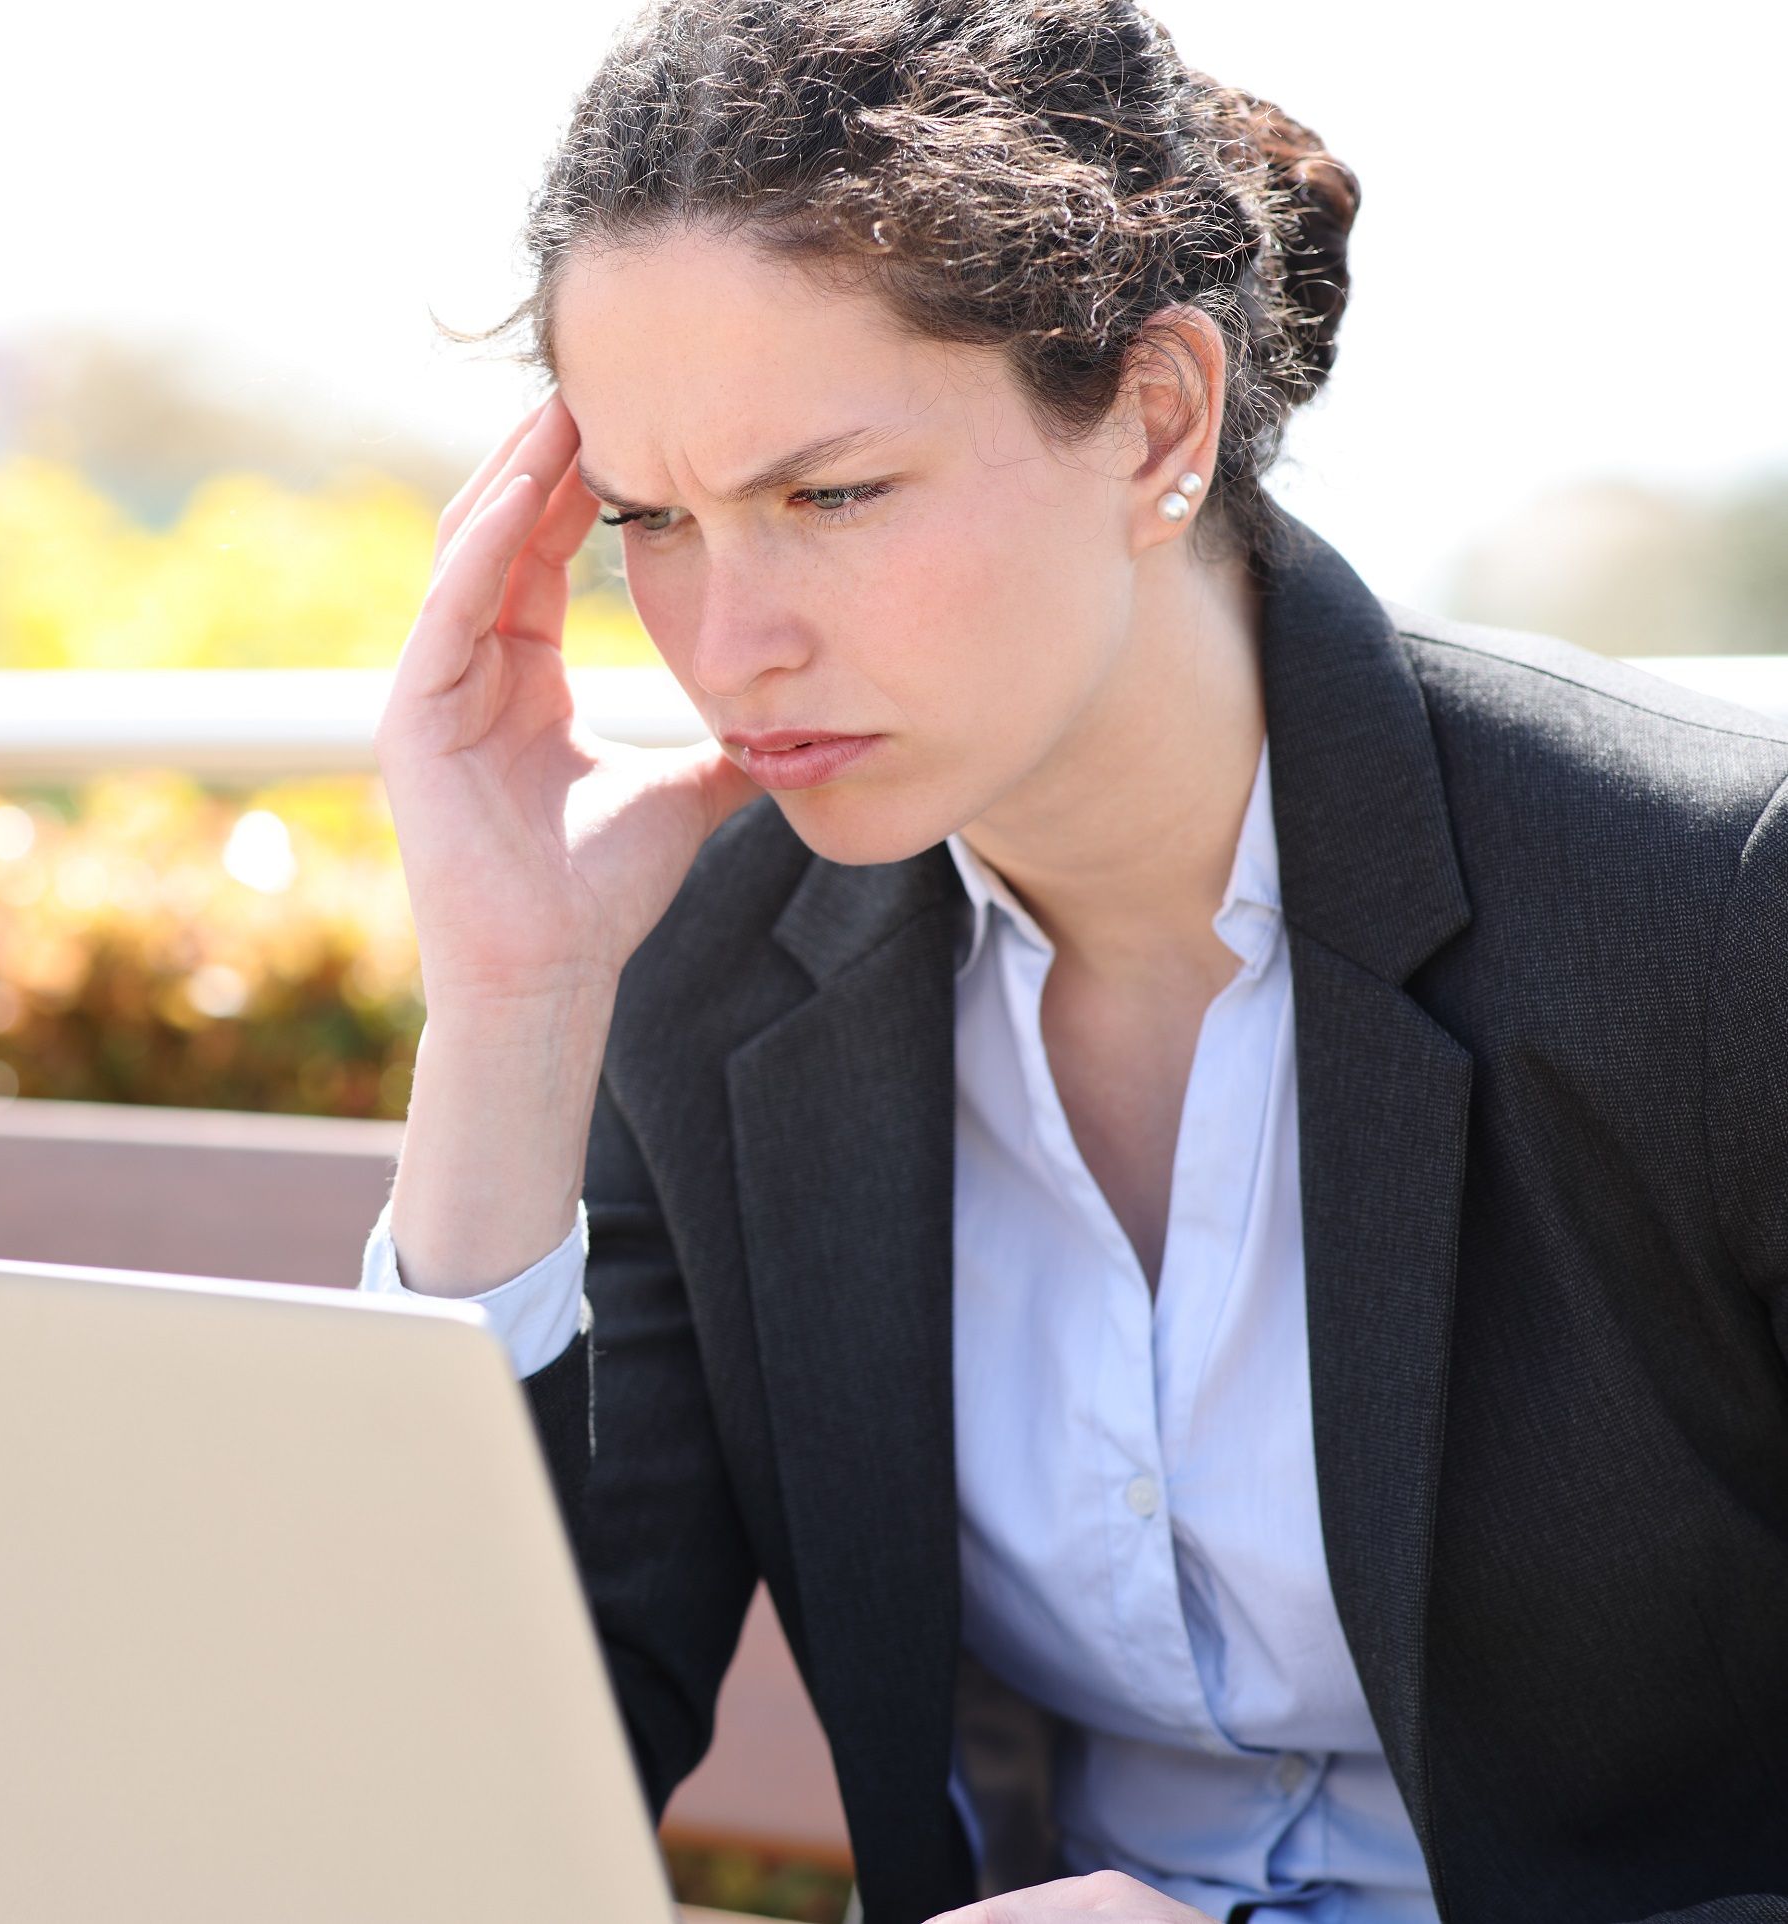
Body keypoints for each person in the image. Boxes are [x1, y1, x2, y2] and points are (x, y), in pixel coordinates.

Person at [357, 4, 1788, 1921]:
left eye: (829, 494)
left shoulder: (1705, 906)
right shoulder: (708, 964)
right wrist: (513, 1011)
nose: (727, 637)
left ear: (1158, 419)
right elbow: (445, 1804)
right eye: (649, 522)